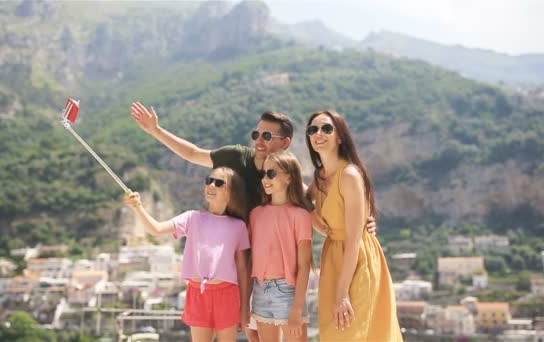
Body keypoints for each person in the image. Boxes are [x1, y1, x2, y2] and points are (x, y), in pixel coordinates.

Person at [129, 102, 377, 340]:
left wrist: (365, 222)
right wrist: (156, 131)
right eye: (256, 133)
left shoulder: (285, 179)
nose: (259, 140)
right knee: (248, 332)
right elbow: (193, 153)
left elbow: (323, 212)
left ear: (285, 143)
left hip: (265, 272)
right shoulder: (237, 157)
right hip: (231, 264)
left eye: (267, 136)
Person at [306, 110, 402, 342]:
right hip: (333, 260)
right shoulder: (319, 176)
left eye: (326, 128)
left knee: (354, 332)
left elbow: (354, 239)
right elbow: (303, 200)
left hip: (357, 261)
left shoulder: (349, 175)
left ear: (340, 137)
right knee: (335, 334)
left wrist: (341, 294)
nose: (319, 133)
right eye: (313, 129)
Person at [124, 167, 251, 342]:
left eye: (219, 182)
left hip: (227, 295)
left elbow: (243, 270)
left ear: (231, 192)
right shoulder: (192, 218)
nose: (211, 185)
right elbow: (156, 229)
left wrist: (244, 310)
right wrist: (137, 207)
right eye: (209, 180)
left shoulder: (238, 226)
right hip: (197, 294)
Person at [249, 151, 313, 342]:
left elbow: (304, 266)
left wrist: (297, 308)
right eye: (263, 174)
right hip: (259, 289)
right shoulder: (255, 214)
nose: (265, 179)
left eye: (271, 173)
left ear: (289, 177)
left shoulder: (301, 215)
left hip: (288, 292)